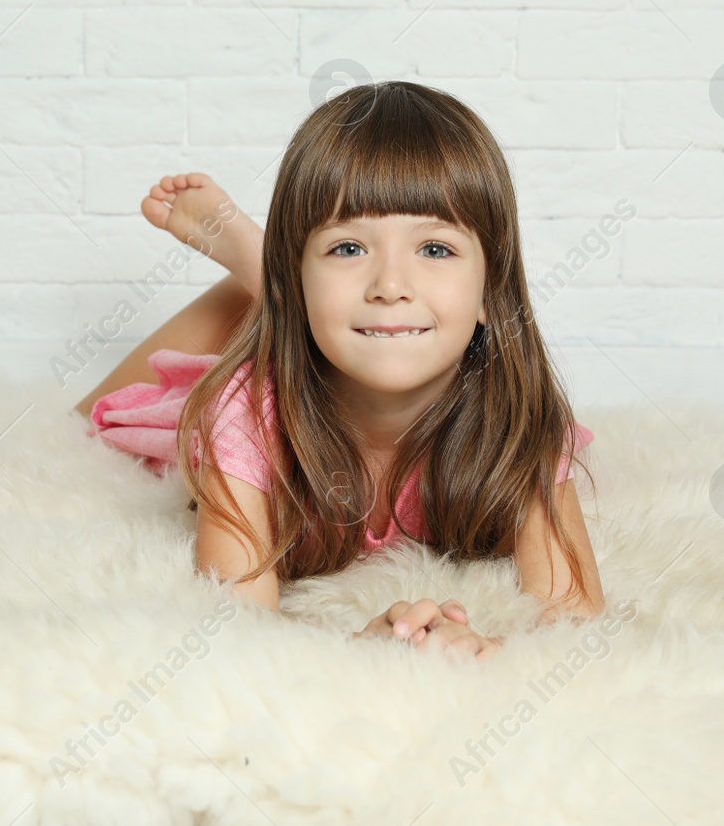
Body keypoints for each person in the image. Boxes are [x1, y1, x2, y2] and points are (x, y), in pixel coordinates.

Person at [75, 81, 604, 661]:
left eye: (435, 249)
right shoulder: (244, 413)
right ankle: (262, 269)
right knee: (88, 423)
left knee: (336, 309)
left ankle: (279, 267)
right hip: (285, 369)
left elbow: (572, 623)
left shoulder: (517, 416)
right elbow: (236, 623)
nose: (391, 286)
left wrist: (477, 646)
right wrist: (359, 646)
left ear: (490, 292)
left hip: (318, 318)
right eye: (349, 247)